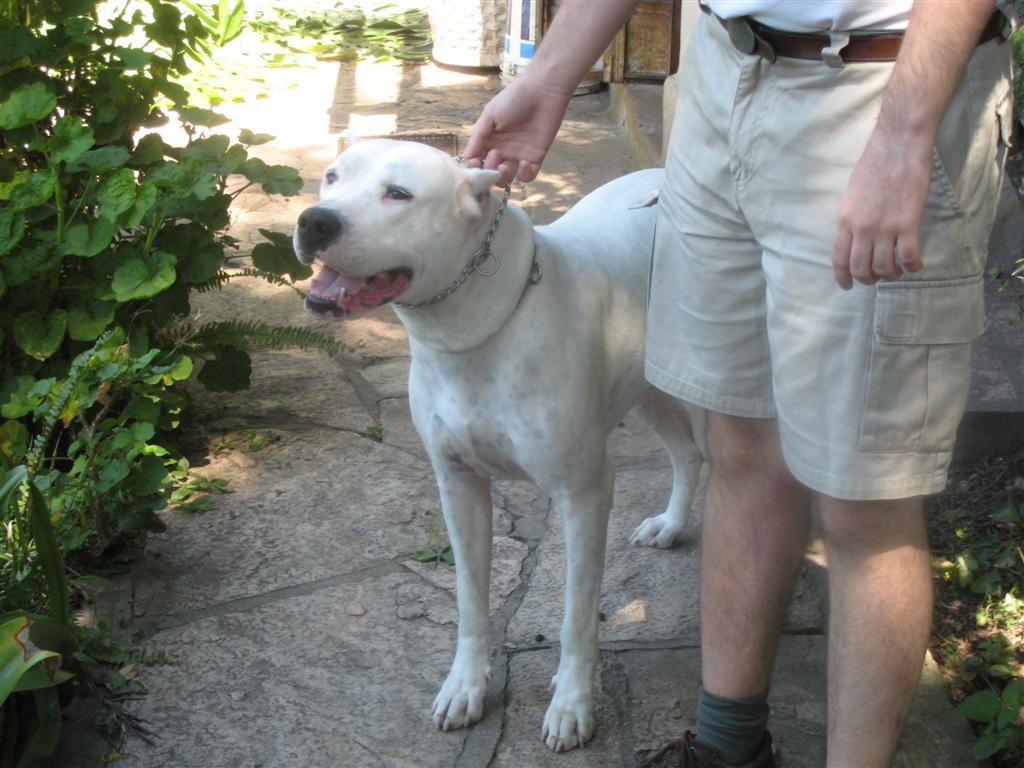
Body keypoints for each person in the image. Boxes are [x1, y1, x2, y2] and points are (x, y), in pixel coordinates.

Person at [464, 1, 1012, 766]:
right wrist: (551, 75)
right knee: (740, 440)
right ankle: (729, 750)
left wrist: (905, 135)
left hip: (880, 87)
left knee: (864, 500)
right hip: (724, 74)